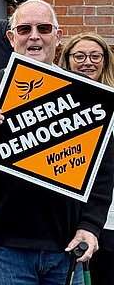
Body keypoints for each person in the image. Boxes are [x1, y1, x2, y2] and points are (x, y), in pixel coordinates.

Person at [0, 0, 114, 284]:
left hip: (67, 244)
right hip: (5, 245)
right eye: (24, 29)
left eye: (44, 28)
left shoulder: (85, 93)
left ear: (58, 36)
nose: (34, 35)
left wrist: (91, 225)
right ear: (11, 38)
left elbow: (104, 169)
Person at [59, 32, 114, 284]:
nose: (87, 62)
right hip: (69, 217)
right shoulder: (55, 102)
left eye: (95, 56)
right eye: (79, 56)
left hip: (110, 215)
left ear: (105, 61)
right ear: (67, 60)